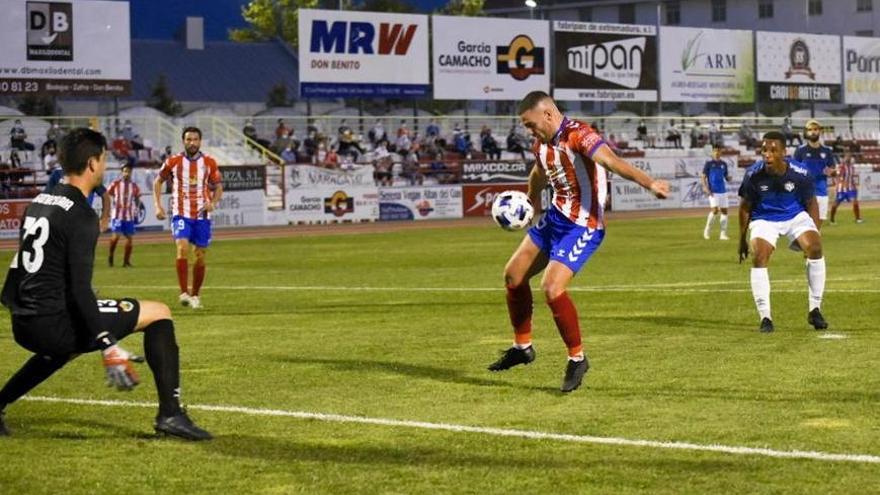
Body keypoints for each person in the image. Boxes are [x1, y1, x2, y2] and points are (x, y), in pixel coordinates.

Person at [0, 128, 211, 440]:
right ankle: (171, 414)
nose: (104, 165)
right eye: (103, 159)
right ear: (91, 164)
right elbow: (80, 289)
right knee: (159, 312)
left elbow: (21, 268)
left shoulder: (40, 201)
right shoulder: (82, 215)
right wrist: (107, 343)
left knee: (63, 347)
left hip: (25, 323)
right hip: (52, 324)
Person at [488, 91, 670, 393]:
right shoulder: (542, 144)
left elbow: (610, 161)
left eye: (531, 124)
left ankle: (577, 358)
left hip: (584, 225)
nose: (529, 131)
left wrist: (649, 183)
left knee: (552, 287)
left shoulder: (579, 135)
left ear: (547, 114)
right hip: (556, 219)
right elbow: (539, 172)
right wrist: (531, 200)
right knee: (513, 275)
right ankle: (523, 347)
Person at [737, 131, 827, 334]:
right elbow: (745, 208)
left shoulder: (800, 173)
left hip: (795, 216)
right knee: (759, 255)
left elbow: (811, 202)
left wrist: (814, 230)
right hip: (764, 218)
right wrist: (742, 240)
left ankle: (815, 310)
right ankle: (765, 317)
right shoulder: (753, 174)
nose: (767, 154)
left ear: (784, 152)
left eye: (773, 150)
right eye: (764, 150)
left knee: (815, 248)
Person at [153, 127, 223, 310]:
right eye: (188, 139)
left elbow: (218, 186)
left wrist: (213, 202)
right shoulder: (173, 161)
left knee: (200, 255)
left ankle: (195, 295)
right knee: (182, 247)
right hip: (181, 212)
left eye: (195, 139)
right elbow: (158, 181)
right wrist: (157, 205)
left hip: (202, 215)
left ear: (200, 141)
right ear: (183, 141)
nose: (192, 142)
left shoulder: (209, 162)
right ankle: (184, 293)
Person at [793, 119, 836, 229]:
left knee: (818, 223)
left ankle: (812, 241)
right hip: (805, 191)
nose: (813, 132)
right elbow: (793, 170)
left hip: (821, 191)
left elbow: (832, 168)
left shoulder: (827, 151)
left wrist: (831, 172)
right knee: (805, 221)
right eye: (810, 130)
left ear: (820, 131)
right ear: (806, 132)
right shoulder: (800, 150)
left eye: (815, 129)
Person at [107, 164, 142, 267]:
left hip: (129, 215)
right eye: (125, 171)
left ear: (131, 173)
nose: (127, 173)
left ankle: (126, 262)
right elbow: (108, 194)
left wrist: (136, 207)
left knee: (129, 239)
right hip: (117, 215)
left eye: (129, 171)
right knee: (116, 237)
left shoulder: (134, 186)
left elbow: (138, 197)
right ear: (122, 172)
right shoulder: (115, 184)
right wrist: (111, 205)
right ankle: (111, 256)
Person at [701, 147, 732, 240]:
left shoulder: (724, 164)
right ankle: (707, 230)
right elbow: (703, 177)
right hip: (713, 191)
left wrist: (728, 178)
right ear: (712, 152)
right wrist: (705, 187)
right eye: (715, 151)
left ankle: (723, 234)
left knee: (725, 212)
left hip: (723, 191)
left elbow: (726, 176)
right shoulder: (709, 164)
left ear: (721, 152)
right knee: (715, 211)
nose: (717, 152)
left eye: (718, 151)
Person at [829, 147, 863, 224]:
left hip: (851, 188)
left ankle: (858, 219)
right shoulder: (841, 167)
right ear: (844, 157)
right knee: (836, 204)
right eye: (847, 156)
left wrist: (855, 186)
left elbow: (851, 177)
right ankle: (832, 220)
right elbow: (835, 174)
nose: (849, 158)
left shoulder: (852, 167)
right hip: (841, 189)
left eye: (850, 156)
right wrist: (834, 174)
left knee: (855, 202)